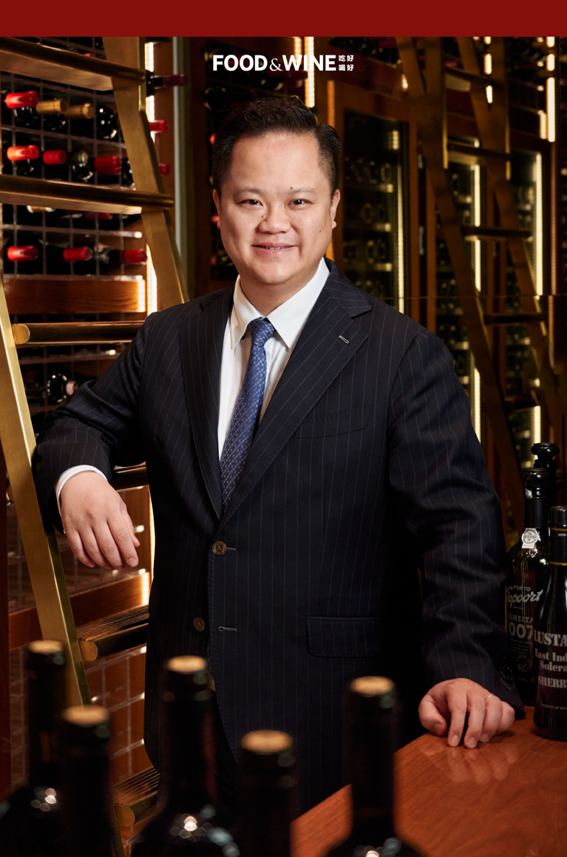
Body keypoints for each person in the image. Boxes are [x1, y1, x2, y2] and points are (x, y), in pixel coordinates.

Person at [34, 96, 522, 816]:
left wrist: (467, 664)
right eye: (250, 200)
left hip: (334, 729)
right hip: (190, 727)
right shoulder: (167, 339)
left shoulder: (401, 354)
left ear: (332, 210)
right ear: (217, 207)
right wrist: (78, 477)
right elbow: (79, 422)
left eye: (298, 200)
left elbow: (458, 528)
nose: (274, 223)